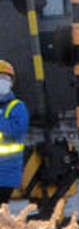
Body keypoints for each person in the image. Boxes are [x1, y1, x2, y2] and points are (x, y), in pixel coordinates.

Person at [0, 60, 27, 203]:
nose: (2, 82)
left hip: (6, 174)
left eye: (5, 78)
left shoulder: (17, 107)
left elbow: (17, 130)